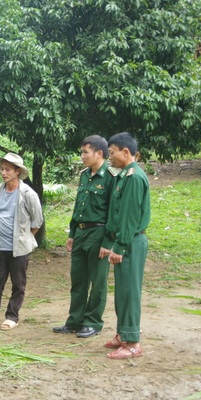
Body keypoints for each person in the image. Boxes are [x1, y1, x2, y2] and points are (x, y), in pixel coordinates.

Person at [53, 135, 119, 338]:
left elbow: (113, 212)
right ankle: (75, 321)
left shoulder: (111, 176)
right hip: (81, 233)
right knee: (78, 280)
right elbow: (78, 206)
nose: (81, 156)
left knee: (98, 281)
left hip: (99, 233)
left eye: (85, 152)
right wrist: (72, 233)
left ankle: (93, 322)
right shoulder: (84, 175)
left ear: (99, 153)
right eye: (81, 152)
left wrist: (108, 242)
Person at [0, 152, 43, 331]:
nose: (3, 173)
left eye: (7, 169)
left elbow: (37, 221)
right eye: (2, 169)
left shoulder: (28, 193)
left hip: (19, 248)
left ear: (17, 171)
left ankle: (12, 316)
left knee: (18, 284)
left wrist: (25, 238)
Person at [100, 132, 150, 359]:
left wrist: (119, 246)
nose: (109, 157)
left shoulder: (134, 177)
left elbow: (129, 217)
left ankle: (133, 343)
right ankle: (123, 333)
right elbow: (116, 215)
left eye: (111, 153)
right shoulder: (123, 176)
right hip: (124, 240)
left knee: (130, 292)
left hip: (130, 242)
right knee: (122, 291)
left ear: (125, 152)